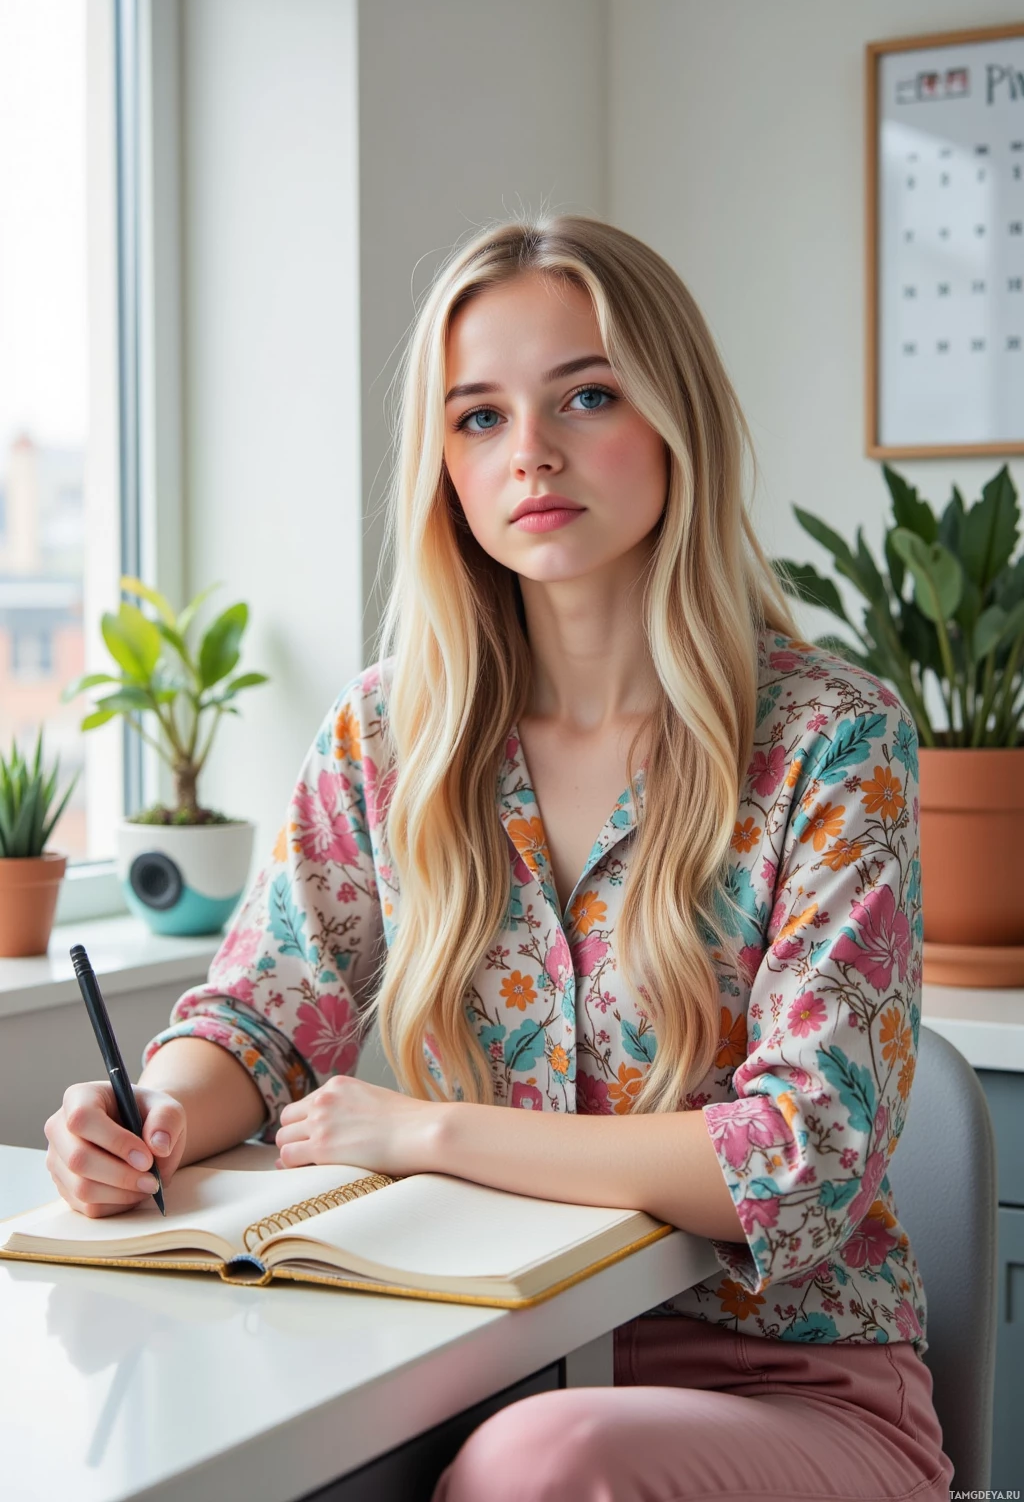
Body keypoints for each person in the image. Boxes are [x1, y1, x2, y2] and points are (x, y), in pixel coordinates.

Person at [43, 214, 955, 1501]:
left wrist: (427, 1134)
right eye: (477, 417)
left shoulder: (831, 739)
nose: (530, 452)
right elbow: (260, 1012)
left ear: (674, 419)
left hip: (779, 1390)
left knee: (546, 1468)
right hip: (468, 1360)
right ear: (444, 469)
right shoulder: (388, 729)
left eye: (585, 395)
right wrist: (156, 1116)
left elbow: (795, 1155)